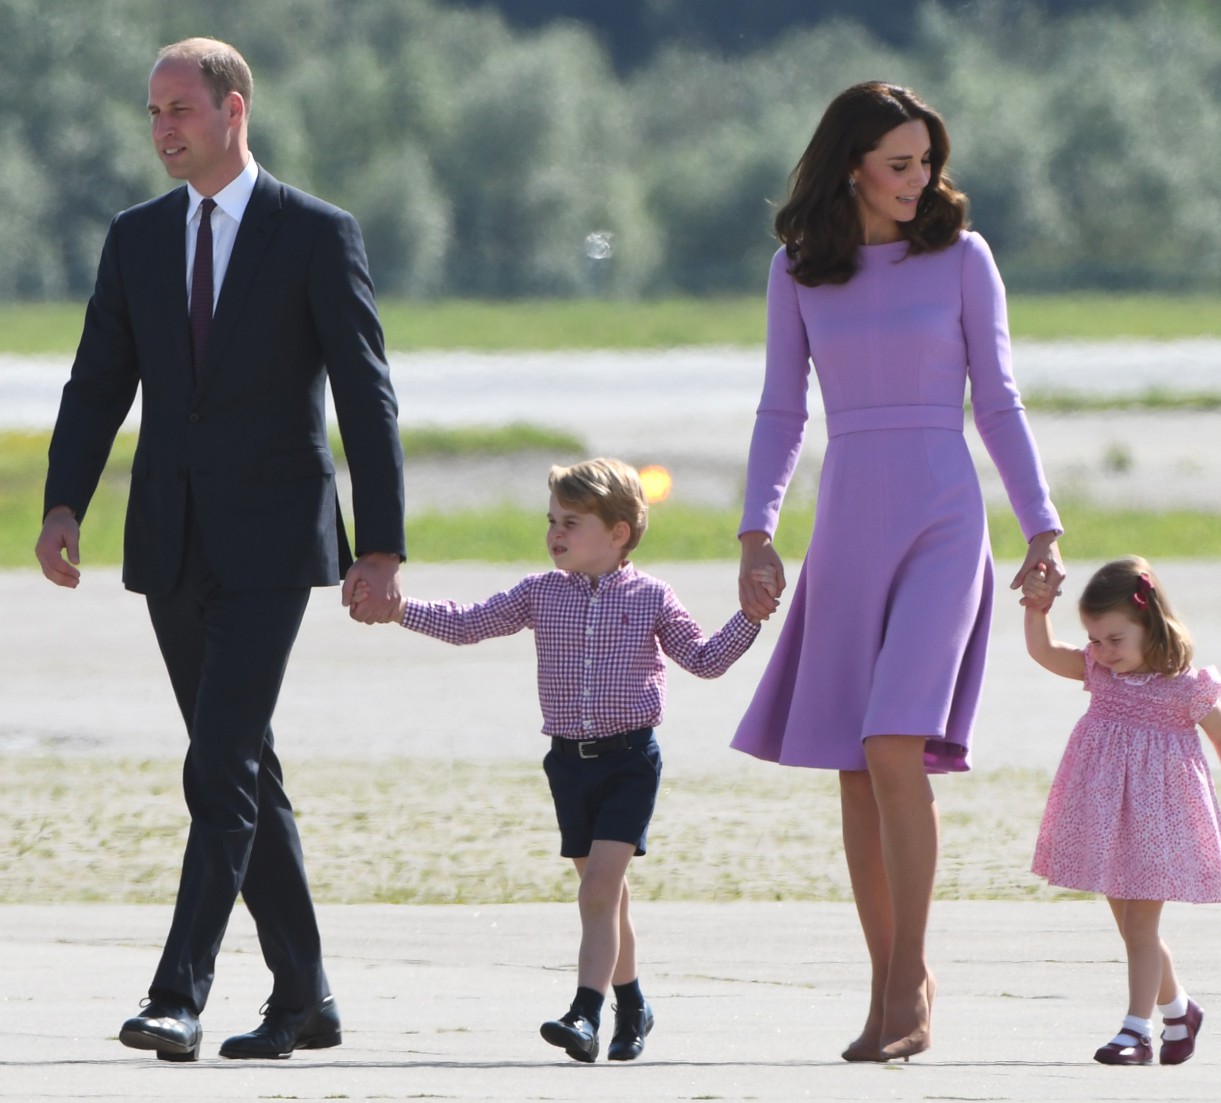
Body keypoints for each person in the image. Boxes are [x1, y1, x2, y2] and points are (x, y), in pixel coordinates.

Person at [34, 38, 406, 1062]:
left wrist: (380, 544)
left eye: (180, 110)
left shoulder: (315, 233)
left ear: (234, 109)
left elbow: (367, 394)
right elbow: (97, 381)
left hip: (276, 539)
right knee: (241, 765)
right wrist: (64, 502)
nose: (163, 130)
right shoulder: (137, 236)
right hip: (170, 536)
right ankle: (307, 995)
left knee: (219, 761)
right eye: (153, 113)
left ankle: (177, 993)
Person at [731, 80, 1065, 1064]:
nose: (920, 179)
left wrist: (1041, 526)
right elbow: (779, 409)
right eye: (899, 164)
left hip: (942, 520)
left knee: (891, 745)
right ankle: (884, 985)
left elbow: (997, 400)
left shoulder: (962, 257)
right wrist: (756, 530)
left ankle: (911, 978)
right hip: (847, 523)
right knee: (853, 767)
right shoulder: (797, 270)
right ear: (852, 168)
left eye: (926, 162)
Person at [361, 458, 763, 1063]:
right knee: (607, 897)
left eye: (571, 523)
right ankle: (634, 1006)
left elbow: (705, 660)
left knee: (599, 891)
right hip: (569, 765)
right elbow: (468, 624)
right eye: (552, 521)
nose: (555, 533)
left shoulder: (652, 597)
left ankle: (584, 1014)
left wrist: (751, 616)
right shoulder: (540, 592)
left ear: (619, 532)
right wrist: (399, 609)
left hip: (629, 762)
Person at [1022, 556, 1221, 1066]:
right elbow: (1043, 651)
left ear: (1150, 624)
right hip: (1108, 819)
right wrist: (1037, 609)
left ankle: (1136, 1031)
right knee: (1132, 928)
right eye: (1095, 640)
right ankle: (1180, 1011)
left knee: (1141, 928)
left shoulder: (1184, 687)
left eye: (1115, 639)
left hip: (1158, 823)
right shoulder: (1098, 671)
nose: (1103, 651)